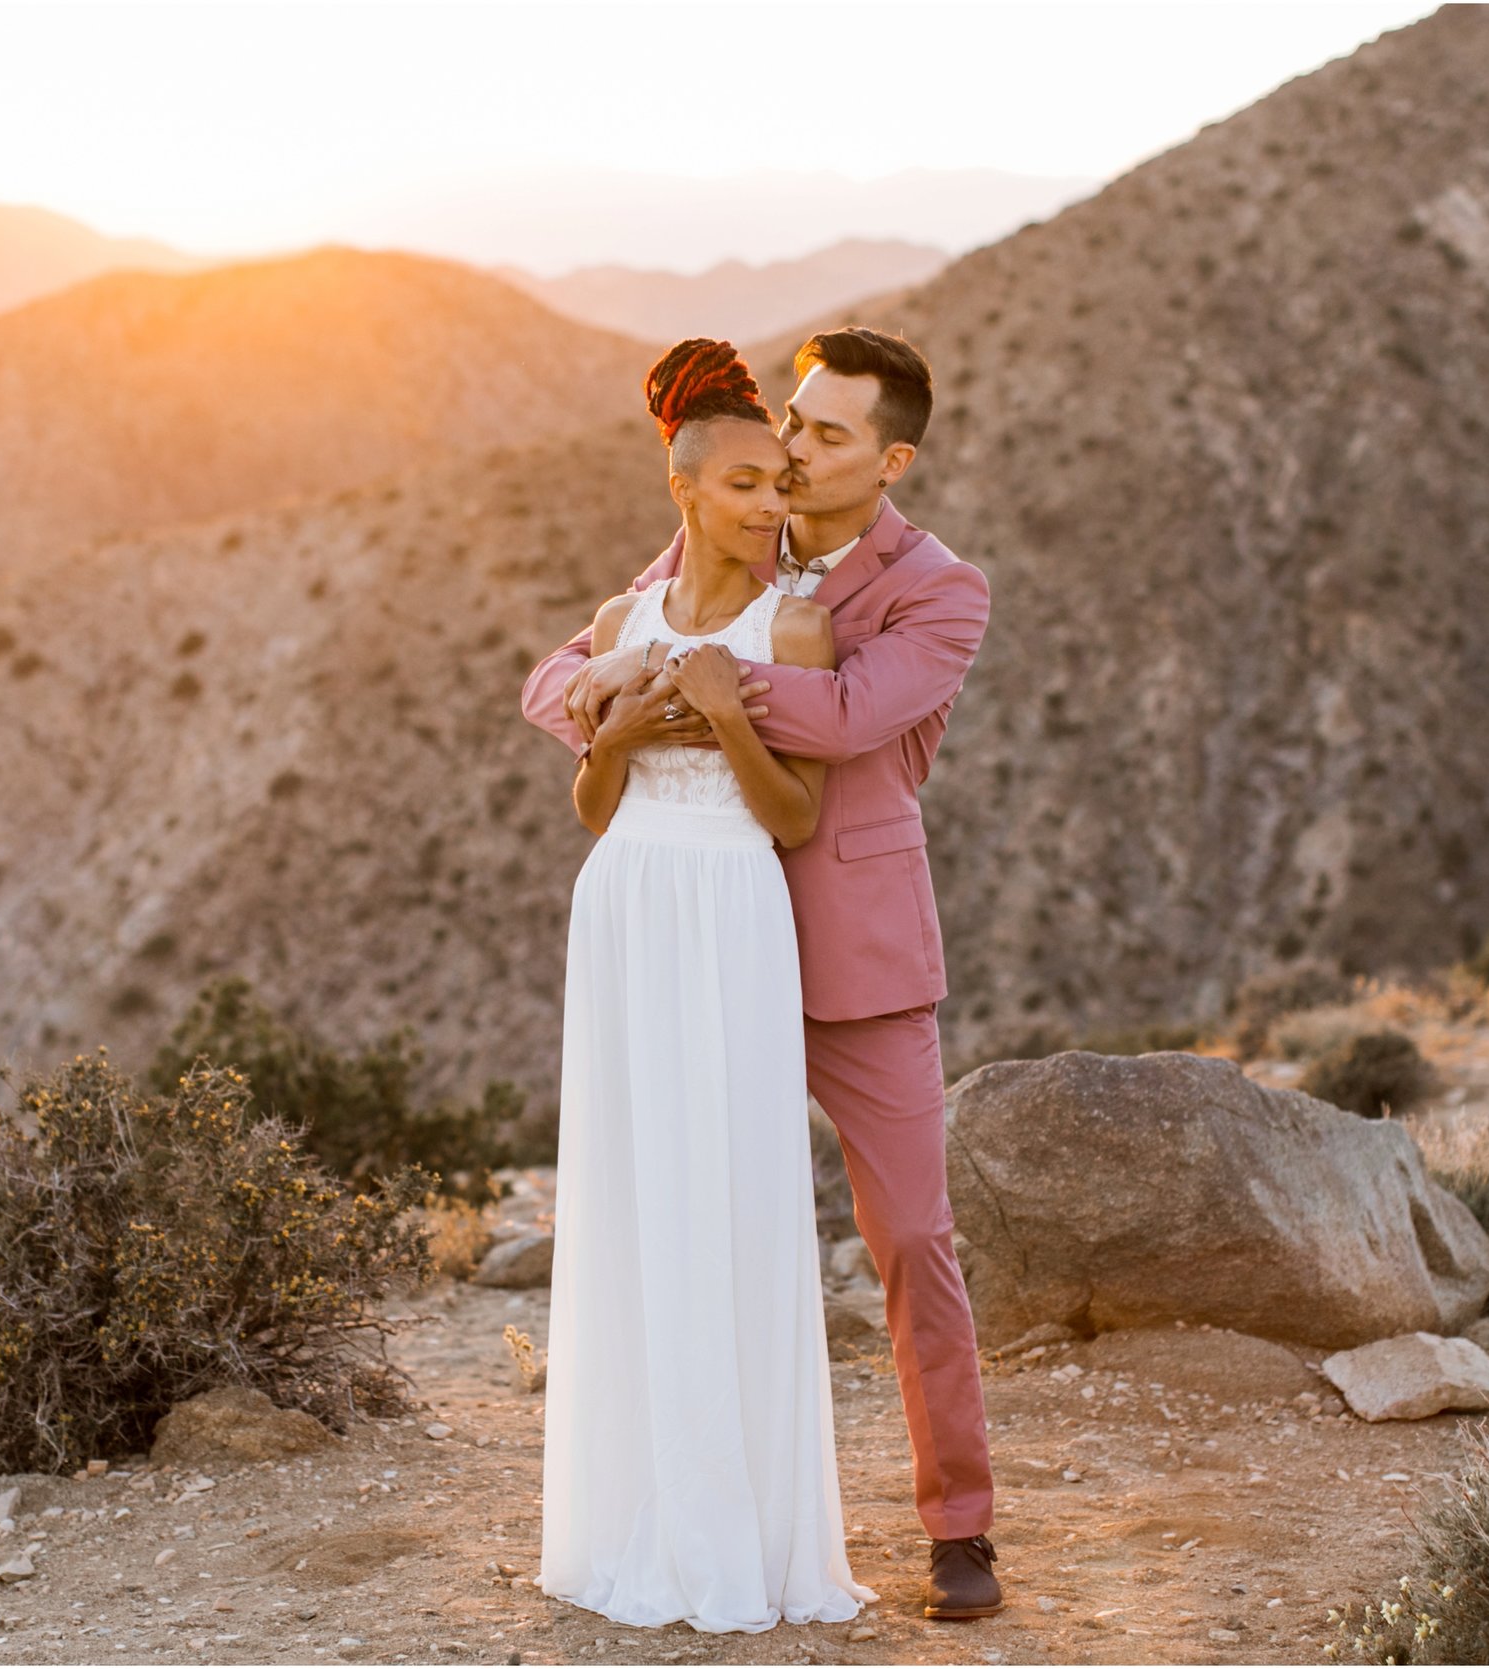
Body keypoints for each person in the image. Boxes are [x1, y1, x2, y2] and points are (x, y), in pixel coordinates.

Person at [521, 326, 1003, 1621]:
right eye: (793, 420)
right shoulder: (726, 530)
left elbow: (846, 717)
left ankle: (959, 1523)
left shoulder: (942, 587)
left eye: (827, 433)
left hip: (849, 945)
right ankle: (695, 1504)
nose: (792, 447)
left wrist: (698, 684)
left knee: (908, 1234)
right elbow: (559, 673)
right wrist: (633, 681)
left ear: (890, 457)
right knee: (684, 1219)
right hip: (695, 937)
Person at [536, 337, 877, 1633]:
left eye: (777, 486)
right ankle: (635, 1517)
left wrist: (733, 710)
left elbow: (792, 818)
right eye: (742, 484)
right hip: (626, 897)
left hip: (734, 902)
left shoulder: (791, 623)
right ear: (684, 490)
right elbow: (590, 801)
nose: (767, 506)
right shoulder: (619, 626)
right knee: (633, 1190)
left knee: (725, 1185)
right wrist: (611, 732)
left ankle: (742, 1528)